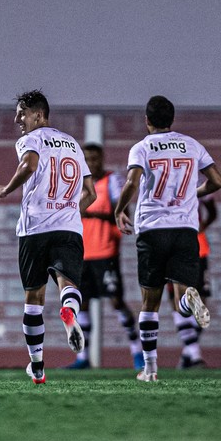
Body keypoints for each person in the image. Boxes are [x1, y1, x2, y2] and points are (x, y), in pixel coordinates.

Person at [113, 95, 221, 382]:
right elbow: (217, 181)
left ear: (146, 120)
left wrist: (119, 209)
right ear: (172, 119)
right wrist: (193, 193)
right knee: (180, 300)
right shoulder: (192, 144)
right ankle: (188, 299)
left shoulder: (142, 147)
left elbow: (132, 182)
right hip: (186, 229)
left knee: (150, 303)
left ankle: (150, 369)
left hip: (152, 229)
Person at [0, 91, 96, 385]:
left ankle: (37, 367)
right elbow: (91, 193)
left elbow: (29, 165)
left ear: (38, 115)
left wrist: (5, 189)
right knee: (68, 284)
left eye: (21, 113)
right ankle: (69, 312)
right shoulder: (72, 143)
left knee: (33, 299)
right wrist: (68, 210)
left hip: (35, 228)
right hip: (68, 227)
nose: (17, 119)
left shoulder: (30, 140)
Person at [67, 143, 143, 371]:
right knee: (82, 304)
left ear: (102, 159)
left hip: (105, 251)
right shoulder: (75, 184)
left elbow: (123, 212)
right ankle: (83, 358)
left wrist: (94, 214)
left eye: (95, 158)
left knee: (116, 301)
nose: (91, 163)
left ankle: (138, 352)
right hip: (81, 253)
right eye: (87, 159)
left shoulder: (112, 181)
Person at [170, 197, 217, 369]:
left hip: (198, 248)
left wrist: (204, 223)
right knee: (179, 300)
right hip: (173, 248)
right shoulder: (162, 184)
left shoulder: (197, 185)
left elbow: (212, 209)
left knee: (200, 305)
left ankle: (187, 354)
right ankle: (195, 356)